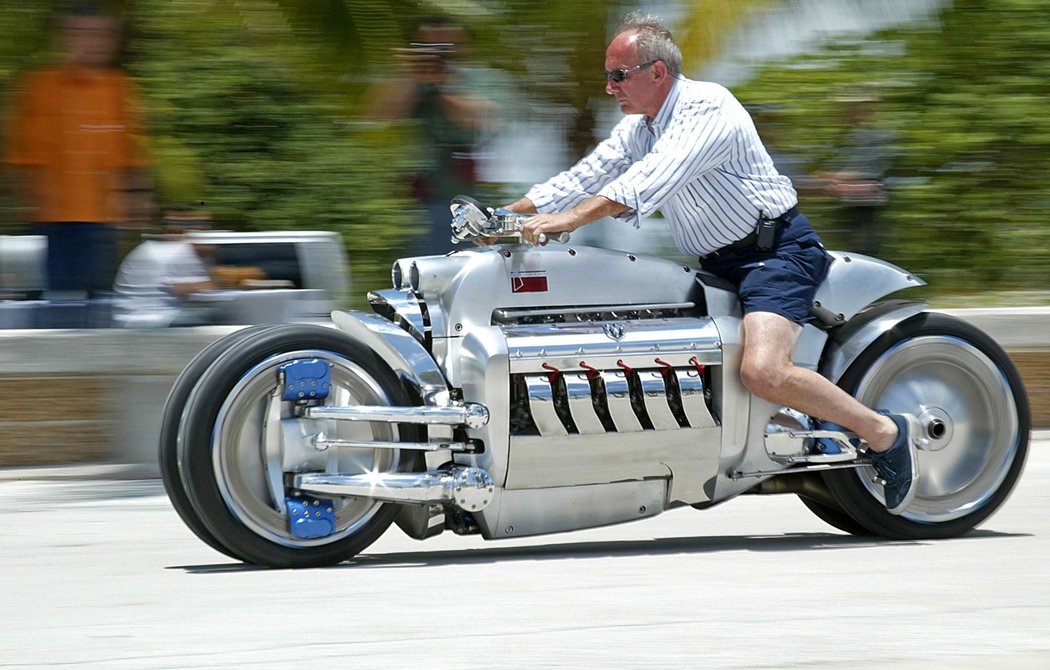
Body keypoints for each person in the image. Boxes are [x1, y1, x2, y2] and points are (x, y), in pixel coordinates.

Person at [501, 13, 919, 514]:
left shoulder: (707, 107)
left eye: (618, 75)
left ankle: (885, 433)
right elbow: (590, 172)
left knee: (763, 371)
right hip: (714, 262)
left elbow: (646, 180)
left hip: (773, 254)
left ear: (657, 72)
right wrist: (509, 213)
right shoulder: (639, 125)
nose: (609, 87)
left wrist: (564, 220)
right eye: (607, 76)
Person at [2, 2, 152, 301]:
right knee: (62, 302)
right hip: (56, 221)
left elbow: (131, 154)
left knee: (100, 302)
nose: (91, 42)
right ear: (65, 37)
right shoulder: (41, 86)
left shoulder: (119, 89)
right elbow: (23, 155)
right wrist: (28, 200)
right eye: (81, 33)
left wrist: (139, 199)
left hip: (105, 220)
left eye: (100, 34)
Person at [367, 16, 498, 256]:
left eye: (445, 46)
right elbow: (381, 115)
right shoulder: (410, 80)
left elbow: (480, 118)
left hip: (464, 195)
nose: (438, 53)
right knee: (414, 273)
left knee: (463, 268)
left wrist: (442, 84)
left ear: (464, 45)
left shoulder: (480, 78)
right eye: (429, 45)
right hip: (418, 195)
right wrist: (409, 78)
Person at [817, 91, 897, 257]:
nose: (849, 111)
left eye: (854, 107)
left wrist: (834, 176)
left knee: (864, 247)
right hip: (849, 203)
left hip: (866, 203)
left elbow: (866, 169)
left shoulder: (875, 136)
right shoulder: (853, 136)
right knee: (851, 246)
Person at [112, 208, 218, 328]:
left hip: (139, 315)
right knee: (213, 314)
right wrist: (216, 283)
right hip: (152, 317)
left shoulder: (157, 248)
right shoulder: (177, 250)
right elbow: (181, 289)